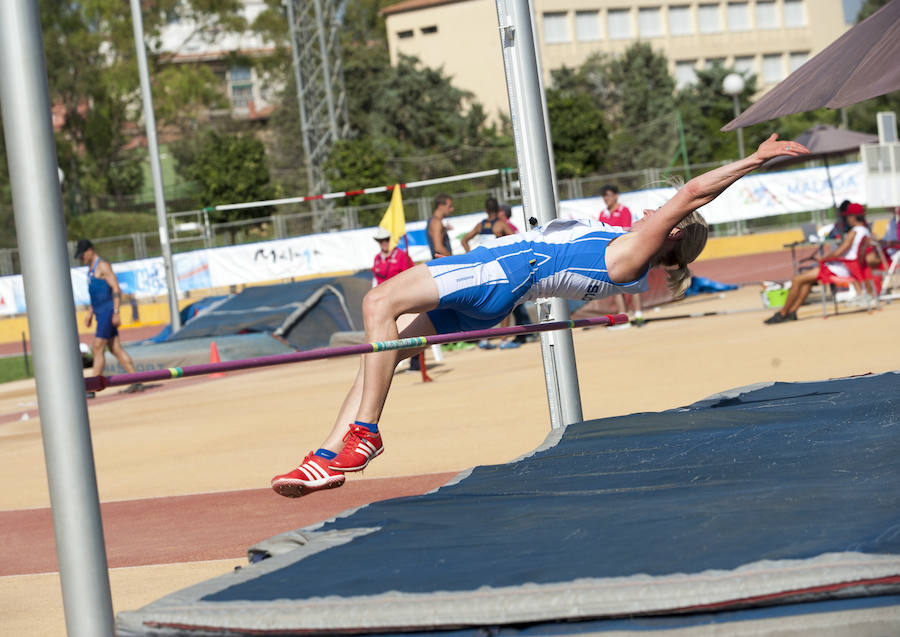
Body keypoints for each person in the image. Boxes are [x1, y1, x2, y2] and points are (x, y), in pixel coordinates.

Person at [271, 133, 809, 498]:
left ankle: (364, 433)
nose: (652, 208)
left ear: (671, 233)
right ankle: (328, 455)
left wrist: (754, 160)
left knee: (376, 302)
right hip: (494, 293)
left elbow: (694, 191)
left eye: (662, 211)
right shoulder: (624, 249)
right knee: (380, 357)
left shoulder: (633, 251)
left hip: (495, 274)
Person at [764, 202, 871, 324]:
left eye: (848, 216)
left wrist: (824, 258)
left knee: (796, 279)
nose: (846, 219)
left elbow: (839, 252)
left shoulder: (855, 231)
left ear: (853, 216)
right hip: (847, 266)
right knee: (806, 281)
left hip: (841, 268)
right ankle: (792, 312)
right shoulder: (865, 231)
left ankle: (783, 313)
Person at [74, 239, 143, 394]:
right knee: (115, 348)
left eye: (82, 255)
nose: (81, 259)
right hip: (99, 312)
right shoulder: (91, 270)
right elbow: (97, 295)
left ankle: (91, 387)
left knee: (97, 347)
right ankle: (136, 380)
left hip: (107, 313)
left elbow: (116, 288)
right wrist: (91, 312)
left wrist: (116, 313)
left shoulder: (103, 266)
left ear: (90, 250)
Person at [371, 227, 420, 370]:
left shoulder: (401, 256)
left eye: (386, 240)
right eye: (381, 240)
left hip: (401, 298)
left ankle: (415, 362)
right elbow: (377, 279)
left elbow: (410, 275)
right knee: (384, 332)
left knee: (411, 328)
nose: (384, 243)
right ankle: (384, 363)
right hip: (383, 301)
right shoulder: (377, 259)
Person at [599, 184, 643, 327]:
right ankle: (623, 317)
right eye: (604, 196)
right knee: (614, 286)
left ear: (616, 196)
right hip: (610, 253)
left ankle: (638, 314)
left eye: (609, 195)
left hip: (625, 250)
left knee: (632, 283)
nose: (606, 198)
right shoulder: (603, 214)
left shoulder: (624, 210)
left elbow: (625, 230)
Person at [426, 194, 454, 258]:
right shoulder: (436, 223)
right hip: (442, 264)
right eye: (449, 206)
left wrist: (444, 229)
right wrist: (453, 260)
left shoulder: (433, 221)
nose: (452, 209)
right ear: (440, 206)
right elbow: (438, 248)